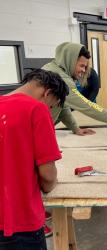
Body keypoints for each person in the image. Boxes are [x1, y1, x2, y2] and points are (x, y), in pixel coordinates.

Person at [0, 69, 69, 249]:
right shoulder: (36, 109)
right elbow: (47, 176)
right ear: (47, 93)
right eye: (52, 105)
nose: (50, 110)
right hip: (19, 223)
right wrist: (51, 184)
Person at [42, 42, 107, 135]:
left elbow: (63, 106)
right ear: (70, 60)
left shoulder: (50, 68)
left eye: (85, 66)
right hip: (33, 131)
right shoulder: (62, 79)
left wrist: (75, 128)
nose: (83, 70)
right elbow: (87, 106)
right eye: (81, 66)